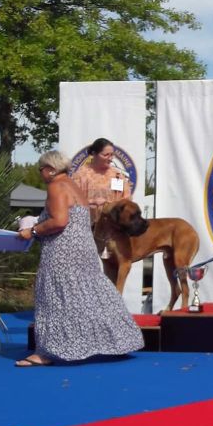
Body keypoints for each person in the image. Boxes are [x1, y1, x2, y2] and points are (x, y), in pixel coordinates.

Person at [15, 150, 144, 366]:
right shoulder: (75, 186)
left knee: (53, 296)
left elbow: (59, 221)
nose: (40, 174)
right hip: (83, 249)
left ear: (50, 168)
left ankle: (45, 352)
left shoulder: (56, 186)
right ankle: (121, 340)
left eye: (41, 170)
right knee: (92, 294)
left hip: (62, 251)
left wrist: (33, 231)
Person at [72, 137, 131, 224]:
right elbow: (72, 200)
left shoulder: (117, 176)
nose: (110, 158)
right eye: (106, 155)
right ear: (94, 154)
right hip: (86, 225)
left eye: (111, 155)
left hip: (111, 226)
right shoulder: (81, 175)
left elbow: (126, 200)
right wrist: (92, 202)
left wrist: (109, 205)